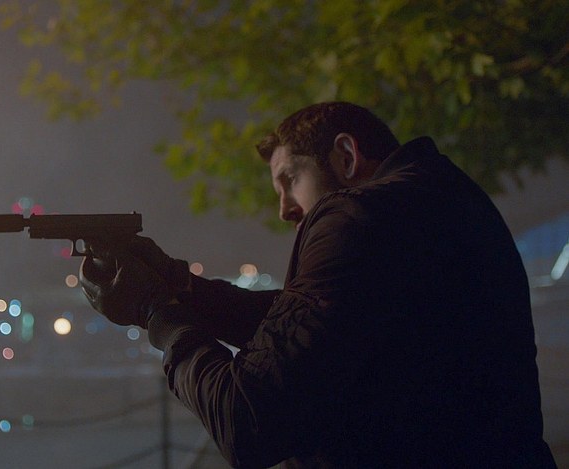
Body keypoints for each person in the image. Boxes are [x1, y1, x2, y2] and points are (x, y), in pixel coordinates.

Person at [79, 102, 557, 468]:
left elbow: (246, 422)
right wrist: (182, 285)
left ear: (346, 155)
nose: (285, 209)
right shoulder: (443, 203)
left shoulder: (355, 215)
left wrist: (157, 313)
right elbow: (319, 323)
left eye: (289, 180)